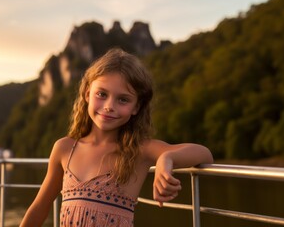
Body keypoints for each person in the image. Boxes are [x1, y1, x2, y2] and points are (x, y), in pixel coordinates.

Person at [20, 48, 213, 227]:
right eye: (102, 94)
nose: (109, 106)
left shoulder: (139, 149)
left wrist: (167, 158)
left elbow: (203, 153)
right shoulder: (64, 148)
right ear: (88, 94)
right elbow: (40, 207)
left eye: (123, 99)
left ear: (136, 107)